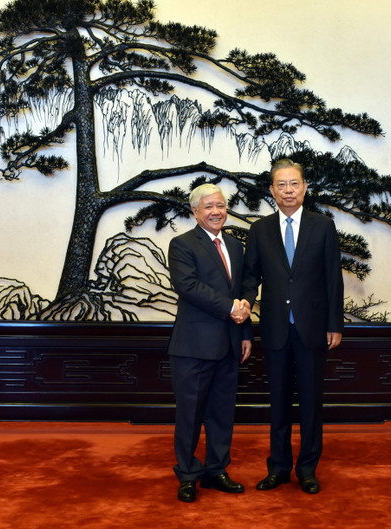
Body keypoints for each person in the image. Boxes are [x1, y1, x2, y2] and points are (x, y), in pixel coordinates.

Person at [242, 158, 344, 495]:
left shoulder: (323, 226)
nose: (288, 190)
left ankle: (308, 469)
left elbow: (333, 278)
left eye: (294, 184)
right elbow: (251, 275)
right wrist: (243, 304)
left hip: (313, 328)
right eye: (281, 185)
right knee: (279, 402)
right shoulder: (260, 229)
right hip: (274, 329)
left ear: (305, 187)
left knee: (312, 404)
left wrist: (335, 324)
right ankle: (279, 468)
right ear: (272, 190)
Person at [167, 183, 253, 503]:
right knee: (190, 414)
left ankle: (217, 470)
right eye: (209, 207)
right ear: (195, 211)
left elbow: (241, 293)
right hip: (193, 347)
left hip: (230, 345)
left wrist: (245, 334)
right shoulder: (182, 244)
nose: (216, 211)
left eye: (220, 205)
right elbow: (187, 286)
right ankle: (188, 474)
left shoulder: (234, 245)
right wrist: (231, 308)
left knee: (221, 414)